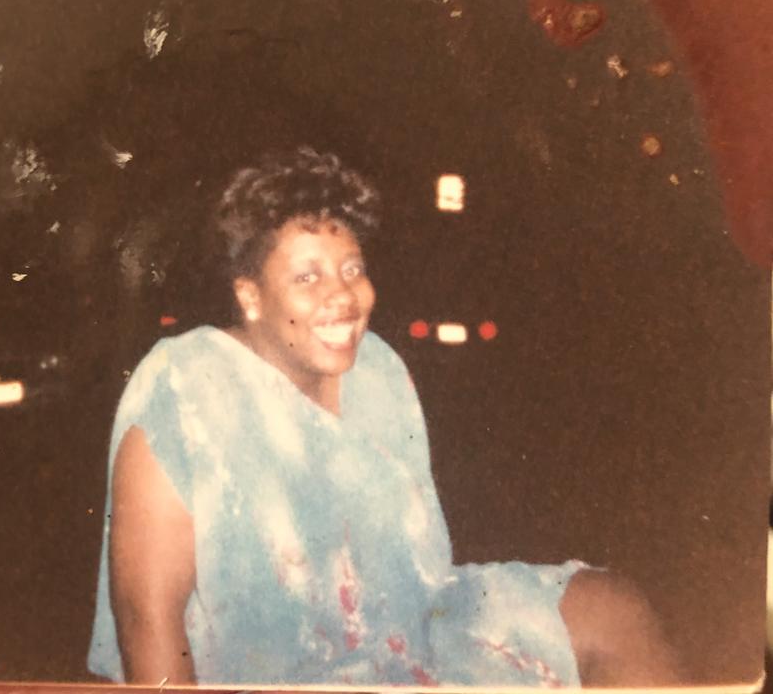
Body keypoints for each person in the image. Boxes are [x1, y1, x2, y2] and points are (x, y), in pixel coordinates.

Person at [87, 147, 680, 687]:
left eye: (351, 269)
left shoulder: (378, 369)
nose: (342, 295)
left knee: (612, 611)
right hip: (278, 674)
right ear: (250, 296)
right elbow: (146, 616)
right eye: (307, 277)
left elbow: (418, 574)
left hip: (406, 639)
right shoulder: (187, 388)